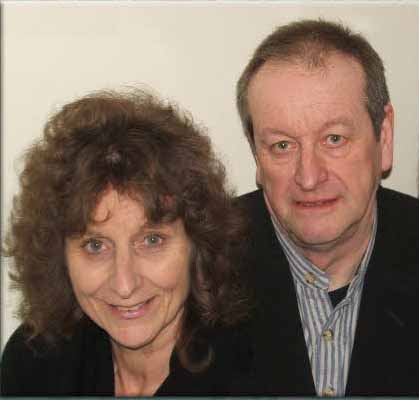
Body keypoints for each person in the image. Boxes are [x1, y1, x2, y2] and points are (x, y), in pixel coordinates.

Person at [233, 18, 419, 396]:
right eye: (282, 146)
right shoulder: (196, 269)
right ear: (256, 155)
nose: (308, 177)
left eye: (334, 139)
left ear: (384, 137)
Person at [1, 89, 249, 396]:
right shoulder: (34, 363)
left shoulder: (254, 375)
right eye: (95, 246)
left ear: (198, 244)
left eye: (152, 240)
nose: (125, 285)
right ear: (59, 257)